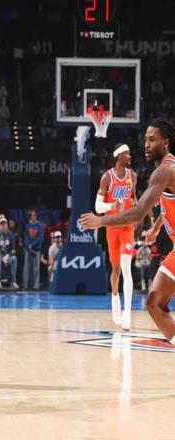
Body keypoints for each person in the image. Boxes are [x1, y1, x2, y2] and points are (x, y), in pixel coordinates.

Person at [81, 118, 175, 342]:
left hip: (123, 227)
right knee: (154, 302)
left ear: (166, 143)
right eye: (145, 140)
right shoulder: (165, 171)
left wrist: (100, 221)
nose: (146, 145)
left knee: (152, 299)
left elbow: (138, 212)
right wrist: (157, 226)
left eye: (152, 140)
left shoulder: (164, 171)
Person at [93, 143, 137, 330]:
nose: (130, 156)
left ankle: (127, 312)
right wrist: (112, 206)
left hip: (127, 226)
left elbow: (133, 197)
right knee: (116, 269)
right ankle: (115, 298)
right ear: (119, 156)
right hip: (112, 227)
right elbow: (97, 207)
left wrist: (137, 207)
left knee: (127, 268)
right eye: (127, 154)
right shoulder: (107, 177)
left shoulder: (132, 176)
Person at [23, 209, 44, 290]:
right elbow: (26, 237)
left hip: (36, 249)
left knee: (36, 269)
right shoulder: (27, 226)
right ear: (30, 216)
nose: (34, 216)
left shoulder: (40, 226)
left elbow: (40, 238)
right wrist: (28, 245)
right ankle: (26, 285)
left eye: (35, 215)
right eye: (32, 215)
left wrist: (33, 245)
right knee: (27, 268)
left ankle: (36, 286)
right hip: (28, 249)